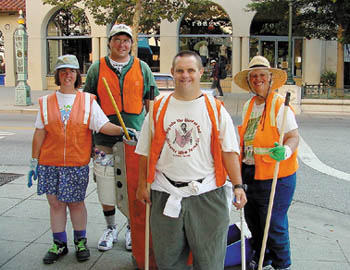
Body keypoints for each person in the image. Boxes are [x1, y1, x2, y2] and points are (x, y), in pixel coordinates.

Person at [135, 51, 247, 270]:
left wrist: (238, 185)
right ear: (172, 73)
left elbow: (229, 152)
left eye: (190, 70)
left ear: (200, 72)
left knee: (210, 261)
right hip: (165, 192)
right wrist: (142, 184)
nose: (185, 75)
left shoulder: (215, 109)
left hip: (207, 194)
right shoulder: (158, 108)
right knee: (168, 261)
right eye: (180, 71)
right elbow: (145, 151)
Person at [27, 54, 126, 264]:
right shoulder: (45, 102)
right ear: (57, 75)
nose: (67, 75)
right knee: (55, 205)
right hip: (49, 163)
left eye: (71, 71)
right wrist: (33, 161)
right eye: (63, 71)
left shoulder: (87, 101)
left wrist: (124, 130)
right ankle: (59, 244)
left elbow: (102, 125)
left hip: (75, 164)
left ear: (77, 75)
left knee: (76, 204)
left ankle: (80, 241)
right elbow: (39, 133)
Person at [83, 23, 159, 251]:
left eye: (126, 40)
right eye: (117, 39)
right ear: (109, 43)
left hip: (135, 140)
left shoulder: (142, 67)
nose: (122, 44)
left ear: (131, 44)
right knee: (106, 185)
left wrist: (152, 134)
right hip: (104, 140)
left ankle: (131, 229)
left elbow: (151, 103)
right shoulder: (97, 68)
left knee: (133, 184)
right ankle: (110, 227)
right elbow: (88, 105)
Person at [234, 55, 299, 270]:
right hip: (251, 172)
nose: (258, 79)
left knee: (274, 224)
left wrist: (286, 150)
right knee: (255, 221)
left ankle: (283, 264)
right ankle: (264, 257)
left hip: (277, 175)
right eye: (254, 76)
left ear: (271, 79)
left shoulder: (280, 105)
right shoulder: (249, 105)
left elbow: (293, 136)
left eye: (262, 75)